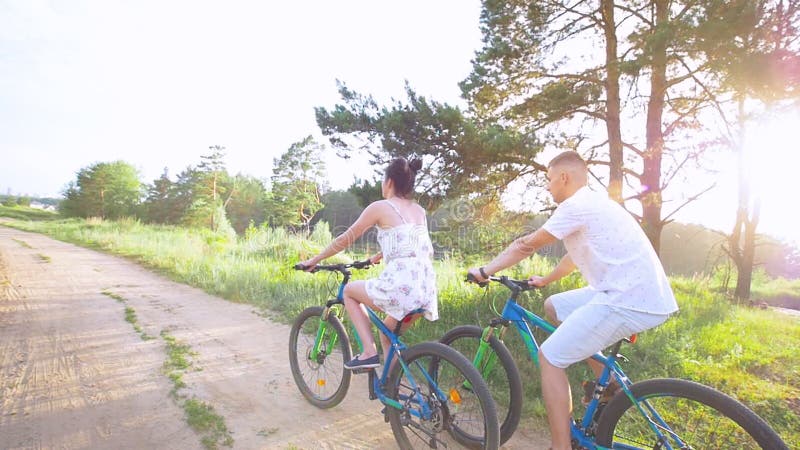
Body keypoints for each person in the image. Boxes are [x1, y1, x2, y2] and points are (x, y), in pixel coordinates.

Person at [468, 151, 678, 450]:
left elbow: (526, 245)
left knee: (550, 358)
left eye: (549, 180)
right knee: (554, 306)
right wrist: (546, 280)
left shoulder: (575, 205)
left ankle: (560, 446)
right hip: (628, 290)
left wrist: (484, 271)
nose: (548, 187)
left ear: (564, 178)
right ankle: (609, 388)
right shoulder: (595, 203)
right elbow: (575, 254)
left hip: (627, 298)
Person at [299, 157, 438, 370]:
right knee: (387, 334)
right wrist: (379, 256)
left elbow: (345, 238)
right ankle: (396, 393)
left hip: (402, 287)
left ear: (389, 182)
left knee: (350, 292)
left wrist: (315, 259)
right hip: (426, 289)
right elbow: (413, 244)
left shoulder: (380, 206)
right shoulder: (419, 211)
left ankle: (368, 353)